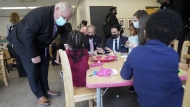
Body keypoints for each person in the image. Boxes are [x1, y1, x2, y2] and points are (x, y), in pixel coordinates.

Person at [6, 1, 73, 106]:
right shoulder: (39, 15)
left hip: (39, 44)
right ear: (57, 10)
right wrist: (33, 55)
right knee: (32, 67)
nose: (65, 21)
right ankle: (39, 95)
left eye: (67, 19)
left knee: (44, 64)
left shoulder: (60, 19)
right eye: (64, 18)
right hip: (22, 42)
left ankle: (45, 90)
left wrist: (67, 45)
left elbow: (64, 31)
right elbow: (27, 35)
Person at [120, 10, 184, 107]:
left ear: (145, 32)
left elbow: (125, 75)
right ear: (173, 39)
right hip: (178, 102)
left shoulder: (136, 52)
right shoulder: (173, 54)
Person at [6, 12, 27, 77]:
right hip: (21, 43)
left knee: (17, 59)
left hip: (13, 44)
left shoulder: (7, 24)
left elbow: (7, 35)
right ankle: (26, 73)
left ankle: (21, 74)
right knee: (23, 58)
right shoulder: (21, 23)